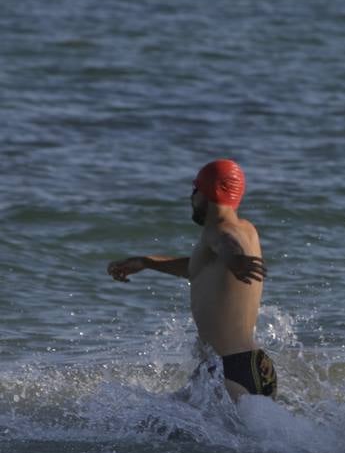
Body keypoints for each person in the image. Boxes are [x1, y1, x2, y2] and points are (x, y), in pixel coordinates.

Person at [106, 159, 274, 401]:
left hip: (230, 370)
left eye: (194, 190)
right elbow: (200, 268)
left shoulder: (218, 230)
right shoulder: (247, 228)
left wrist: (235, 258)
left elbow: (227, 243)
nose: (191, 198)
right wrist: (147, 262)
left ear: (208, 191)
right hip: (250, 366)